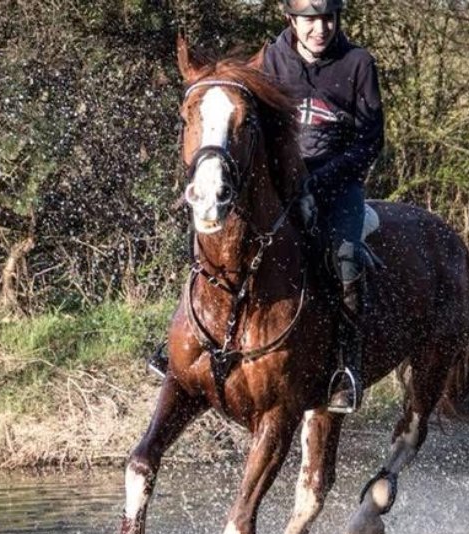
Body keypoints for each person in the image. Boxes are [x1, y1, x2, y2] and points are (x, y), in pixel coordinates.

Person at [151, 0, 384, 414]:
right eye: (310, 20)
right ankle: (183, 345)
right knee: (216, 240)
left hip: (337, 185)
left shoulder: (358, 63)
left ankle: (346, 366)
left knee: (346, 256)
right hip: (280, 183)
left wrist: (323, 179)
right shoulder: (270, 60)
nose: (319, 29)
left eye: (327, 19)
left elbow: (370, 142)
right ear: (291, 20)